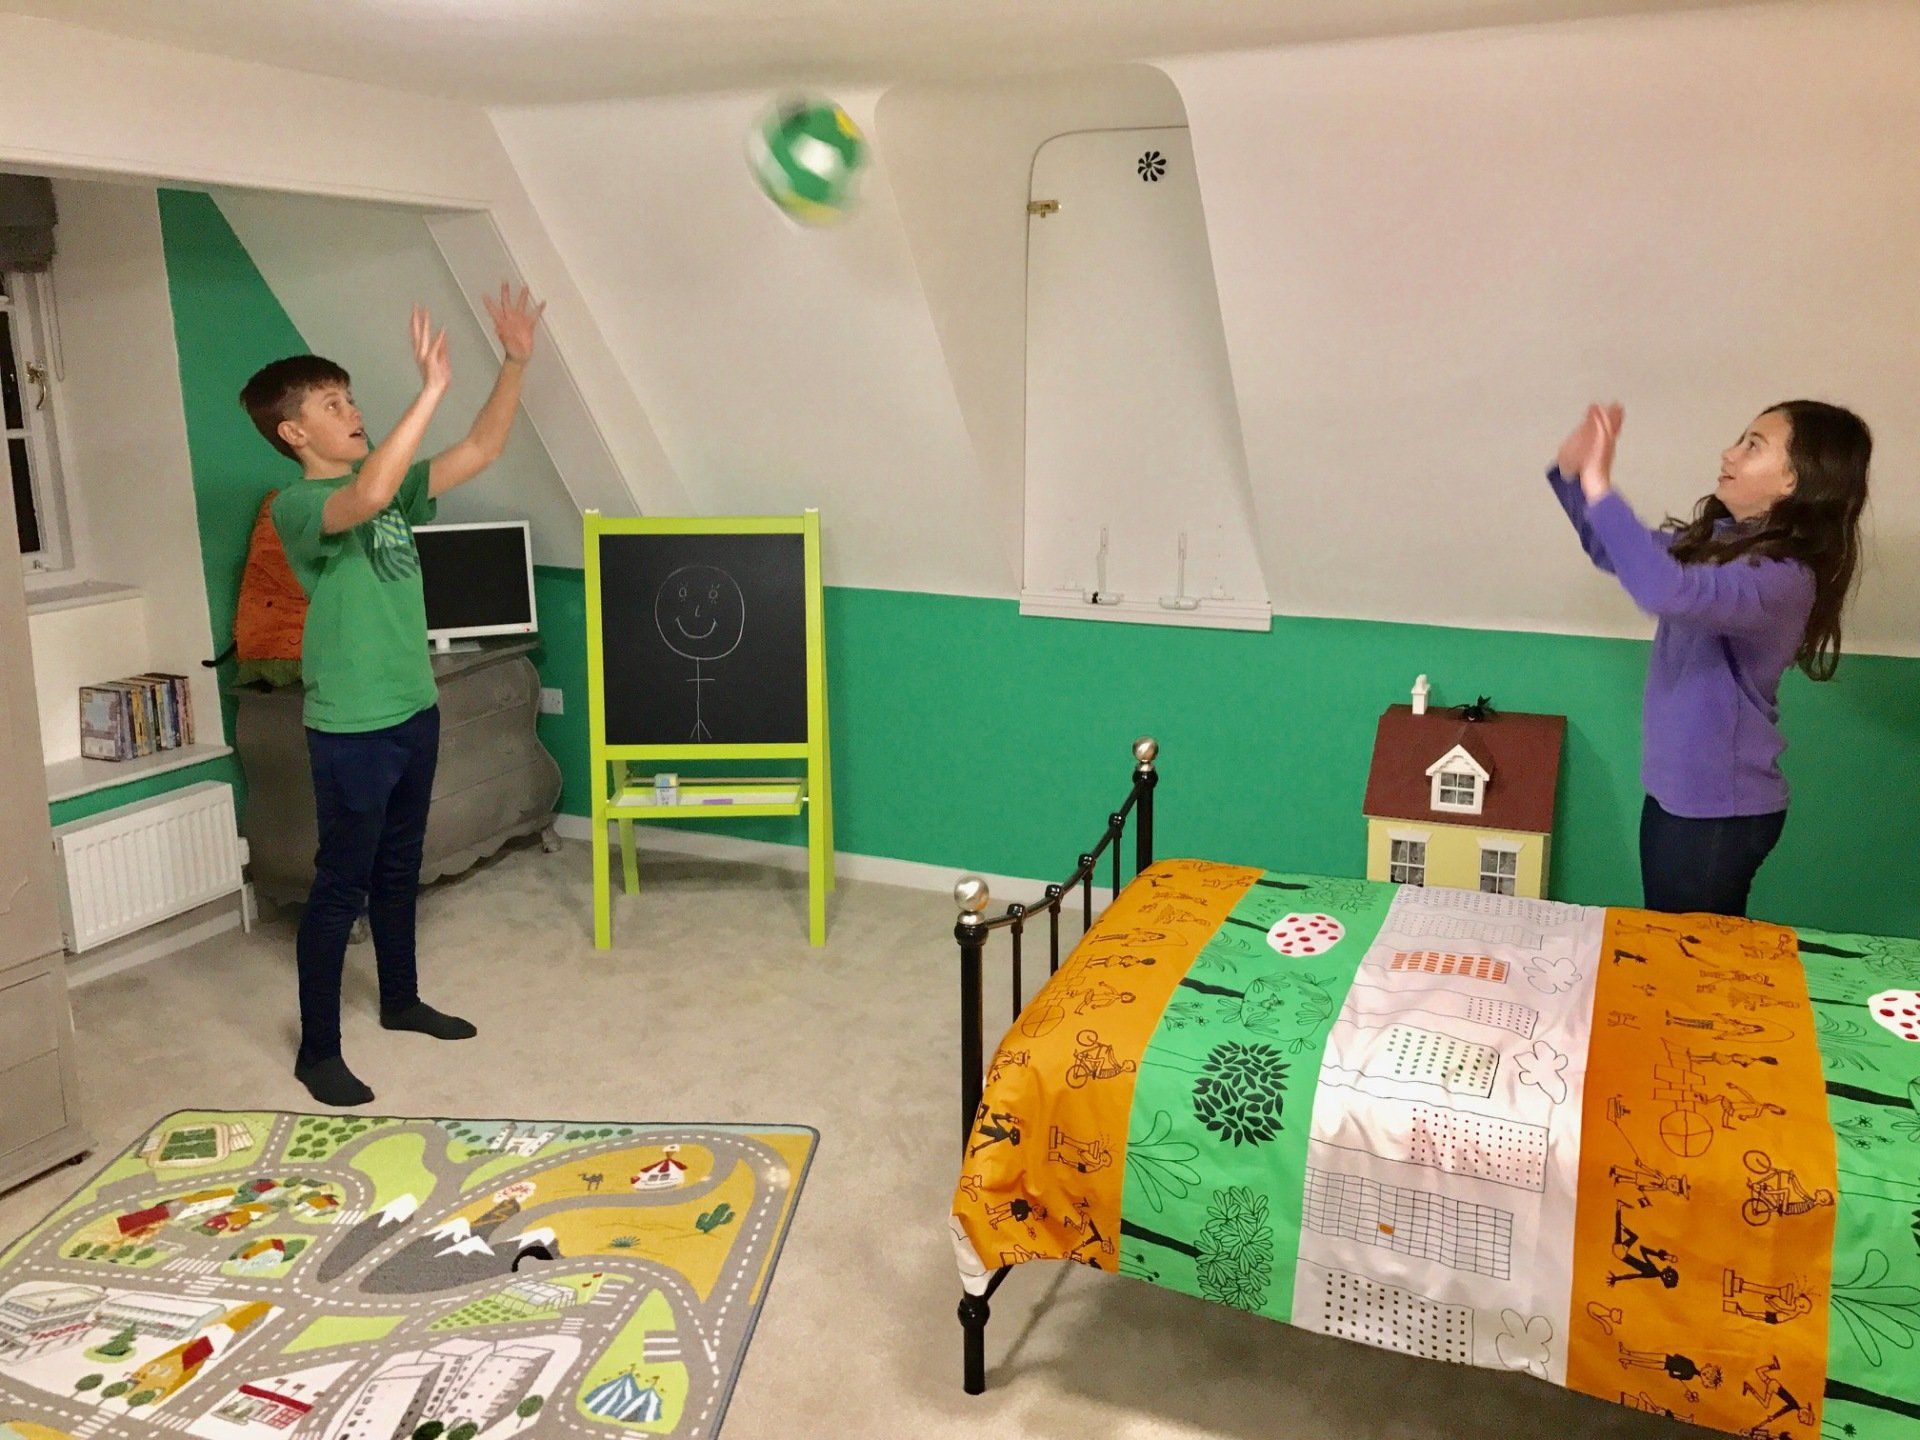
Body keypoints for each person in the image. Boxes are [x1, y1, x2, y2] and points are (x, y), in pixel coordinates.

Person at [240, 286, 545, 1106]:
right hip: (353, 726)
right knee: (342, 883)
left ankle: (401, 1001)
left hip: (413, 707)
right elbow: (367, 495)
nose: (352, 411)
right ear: (293, 432)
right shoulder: (299, 505)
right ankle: (317, 1051)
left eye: (351, 398)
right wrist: (430, 390)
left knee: (400, 865)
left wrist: (514, 361)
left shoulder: (389, 486)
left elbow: (481, 447)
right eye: (332, 404)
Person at [1548, 399, 1870, 917]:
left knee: (1689, 953)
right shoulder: (1719, 544)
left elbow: (1663, 590)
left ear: (1794, 480)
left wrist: (1599, 485)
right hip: (1680, 796)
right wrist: (1571, 474)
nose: (1729, 453)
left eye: (1753, 446)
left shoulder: (1783, 578)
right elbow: (1618, 553)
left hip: (1718, 809)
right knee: (1675, 943)